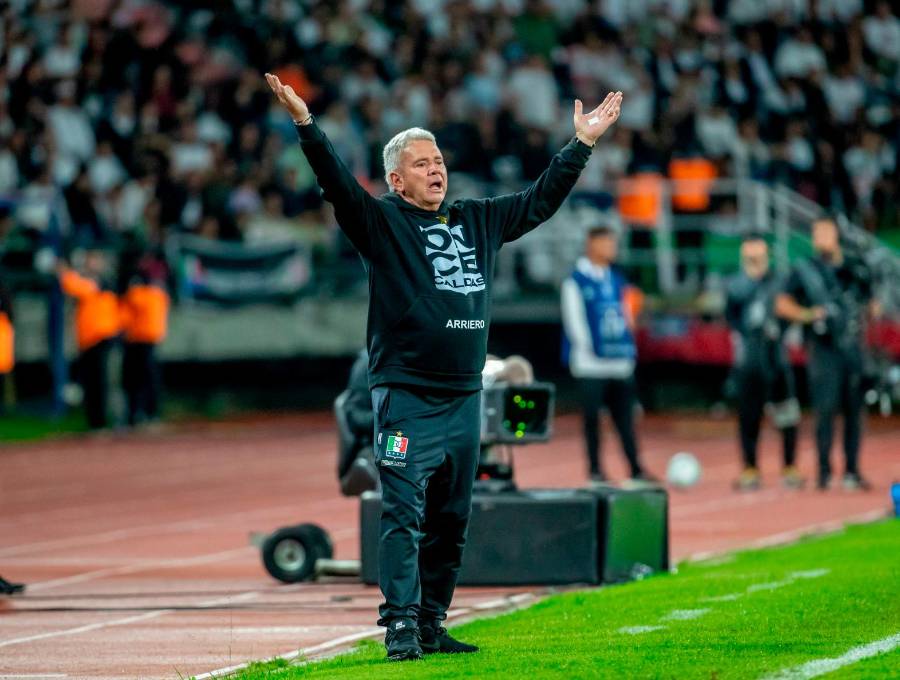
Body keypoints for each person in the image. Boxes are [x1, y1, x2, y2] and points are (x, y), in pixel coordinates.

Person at [265, 72, 622, 661]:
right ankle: (400, 626)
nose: (436, 170)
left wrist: (580, 144)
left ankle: (432, 622)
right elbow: (336, 185)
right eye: (422, 163)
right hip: (406, 396)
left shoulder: (477, 219)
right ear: (396, 180)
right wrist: (306, 124)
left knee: (452, 519)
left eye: (438, 161)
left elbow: (539, 202)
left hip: (463, 399)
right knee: (403, 513)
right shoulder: (380, 224)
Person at [776, 217, 878, 491]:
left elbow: (873, 306)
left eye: (826, 231)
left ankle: (852, 471)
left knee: (854, 411)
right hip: (823, 349)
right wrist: (809, 314)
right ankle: (824, 472)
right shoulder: (805, 269)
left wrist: (866, 298)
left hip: (852, 346)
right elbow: (782, 304)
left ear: (837, 234)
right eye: (817, 232)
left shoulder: (855, 267)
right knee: (825, 410)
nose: (821, 237)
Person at [560, 226, 654, 486]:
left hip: (619, 361)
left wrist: (627, 348)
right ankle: (595, 471)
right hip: (591, 364)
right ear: (591, 244)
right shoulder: (576, 280)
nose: (611, 248)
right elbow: (574, 321)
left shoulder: (618, 279)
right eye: (606, 243)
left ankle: (635, 468)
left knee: (625, 418)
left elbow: (628, 316)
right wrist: (590, 349)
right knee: (592, 419)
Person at [725, 235, 804, 491]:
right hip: (749, 358)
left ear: (767, 256)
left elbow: (791, 310)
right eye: (749, 257)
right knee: (749, 415)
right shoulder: (736, 285)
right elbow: (731, 317)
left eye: (758, 256)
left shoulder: (780, 281)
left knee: (787, 413)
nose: (754, 261)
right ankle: (750, 467)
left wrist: (780, 330)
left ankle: (789, 466)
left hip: (776, 355)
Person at [59, 250, 121, 430]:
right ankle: (95, 421)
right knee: (91, 381)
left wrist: (64, 272)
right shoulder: (93, 280)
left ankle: (102, 420)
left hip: (100, 336)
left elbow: (76, 287)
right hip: (88, 339)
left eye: (94, 260)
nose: (90, 264)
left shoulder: (103, 281)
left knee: (100, 382)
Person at [120, 256, 169, 426]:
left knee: (146, 379)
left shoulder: (151, 293)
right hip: (134, 339)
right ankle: (137, 414)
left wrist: (133, 291)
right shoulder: (150, 291)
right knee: (134, 380)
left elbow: (136, 301)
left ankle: (149, 413)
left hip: (145, 339)